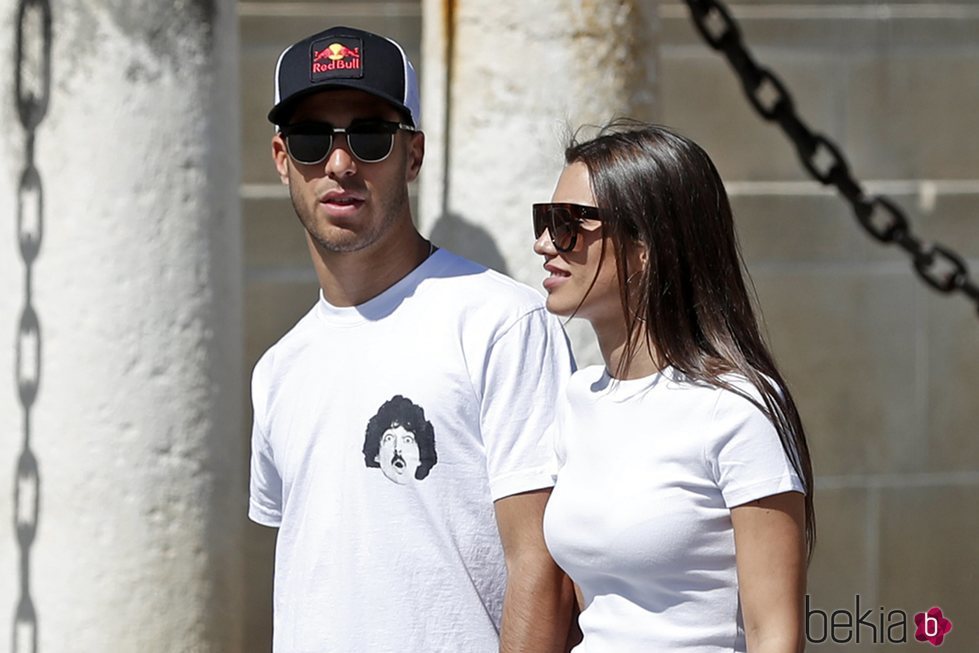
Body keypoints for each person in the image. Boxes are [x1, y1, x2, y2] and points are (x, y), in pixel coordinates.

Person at [248, 26, 576, 653]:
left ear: (414, 155)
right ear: (282, 159)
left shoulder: (502, 322)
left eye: (370, 136)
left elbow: (545, 572)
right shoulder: (277, 368)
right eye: (312, 139)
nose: (340, 164)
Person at [532, 120, 815, 652]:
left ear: (646, 245)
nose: (543, 243)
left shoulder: (735, 408)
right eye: (544, 220)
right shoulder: (578, 398)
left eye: (568, 224)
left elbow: (774, 634)